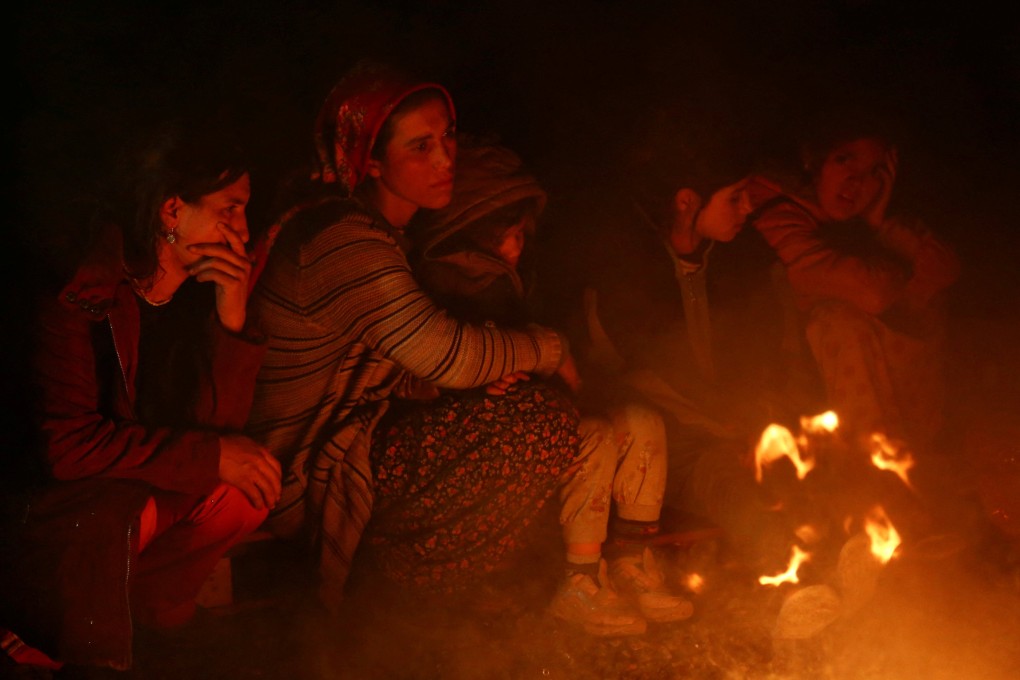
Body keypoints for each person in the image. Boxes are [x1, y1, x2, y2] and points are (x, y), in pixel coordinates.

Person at [244, 62, 580, 615]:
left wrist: (447, 386)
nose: (446, 159)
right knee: (537, 424)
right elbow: (447, 353)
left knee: (515, 411)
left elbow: (396, 366)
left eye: (448, 136)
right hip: (295, 474)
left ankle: (430, 594)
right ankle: (414, 601)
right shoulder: (341, 239)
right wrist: (550, 347)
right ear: (371, 161)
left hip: (342, 447)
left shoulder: (375, 231)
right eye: (421, 146)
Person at [0, 119, 281, 673]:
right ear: (172, 211)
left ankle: (158, 615)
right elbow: (67, 447)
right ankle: (86, 655)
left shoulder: (196, 294)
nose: (243, 230)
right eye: (230, 209)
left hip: (127, 489)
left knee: (247, 487)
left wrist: (231, 316)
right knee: (119, 511)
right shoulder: (86, 285)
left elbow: (220, 433)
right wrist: (210, 456)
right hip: (53, 508)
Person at [389, 140, 692, 636]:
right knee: (594, 437)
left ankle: (631, 563)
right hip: (490, 442)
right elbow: (423, 372)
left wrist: (558, 366)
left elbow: (554, 350)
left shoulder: (518, 281)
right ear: (472, 228)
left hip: (546, 409)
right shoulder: (430, 286)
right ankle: (579, 581)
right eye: (509, 236)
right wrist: (484, 380)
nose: (517, 248)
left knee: (642, 422)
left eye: (520, 236)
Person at [542, 107, 796, 574]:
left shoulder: (743, 259)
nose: (747, 208)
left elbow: (767, 351)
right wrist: (726, 423)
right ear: (686, 201)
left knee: (800, 473)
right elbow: (633, 375)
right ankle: (778, 560)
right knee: (718, 478)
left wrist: (759, 417)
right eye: (735, 197)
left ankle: (835, 552)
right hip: (664, 441)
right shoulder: (624, 269)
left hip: (734, 431)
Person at [748, 108, 961, 456]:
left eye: (873, 172)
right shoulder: (773, 203)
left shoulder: (865, 216)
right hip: (781, 382)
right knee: (841, 323)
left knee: (930, 307)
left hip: (867, 396)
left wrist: (880, 223)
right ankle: (869, 465)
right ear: (813, 159)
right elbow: (870, 292)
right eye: (844, 161)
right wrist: (910, 285)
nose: (856, 182)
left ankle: (908, 459)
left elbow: (945, 267)